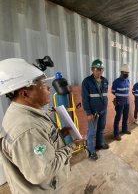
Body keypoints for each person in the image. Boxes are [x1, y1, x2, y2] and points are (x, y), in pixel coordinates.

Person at [0, 58, 83, 193]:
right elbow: (45, 170)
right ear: (24, 93)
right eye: (42, 85)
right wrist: (72, 145)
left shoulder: (27, 112)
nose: (49, 88)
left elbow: (42, 141)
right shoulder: (27, 129)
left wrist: (60, 134)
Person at [82, 59, 109, 160]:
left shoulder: (105, 81)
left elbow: (105, 95)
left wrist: (105, 107)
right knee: (92, 132)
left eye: (100, 69)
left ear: (102, 70)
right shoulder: (87, 81)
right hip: (93, 112)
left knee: (101, 129)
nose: (98, 71)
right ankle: (91, 151)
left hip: (103, 110)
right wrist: (89, 113)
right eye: (96, 69)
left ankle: (100, 144)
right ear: (92, 70)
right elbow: (85, 98)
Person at [112, 64, 131, 141]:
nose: (126, 74)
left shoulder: (128, 81)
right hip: (119, 102)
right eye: (125, 72)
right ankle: (116, 134)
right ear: (121, 72)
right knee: (118, 118)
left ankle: (124, 129)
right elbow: (113, 92)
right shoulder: (116, 81)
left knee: (125, 117)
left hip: (127, 102)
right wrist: (119, 98)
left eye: (127, 72)